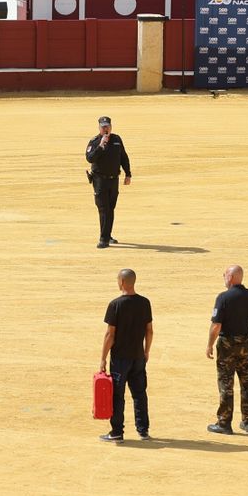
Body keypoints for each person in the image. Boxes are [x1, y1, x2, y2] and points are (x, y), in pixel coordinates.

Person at [206, 264, 248, 434]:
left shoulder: (223, 298)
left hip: (227, 345)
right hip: (247, 343)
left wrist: (209, 344)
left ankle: (224, 422)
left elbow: (216, 325)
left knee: (226, 383)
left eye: (224, 275)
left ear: (230, 277)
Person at [99, 268, 153, 442]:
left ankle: (117, 432)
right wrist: (146, 351)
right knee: (139, 394)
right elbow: (149, 331)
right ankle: (143, 430)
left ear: (121, 282)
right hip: (138, 356)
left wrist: (103, 358)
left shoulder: (115, 304)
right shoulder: (145, 303)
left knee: (117, 395)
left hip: (120, 359)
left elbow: (110, 335)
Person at [84, 116, 131, 249]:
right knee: (103, 209)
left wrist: (128, 174)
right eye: (103, 126)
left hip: (113, 179)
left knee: (110, 208)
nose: (106, 128)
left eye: (107, 126)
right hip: (100, 180)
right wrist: (100, 146)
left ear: (111, 127)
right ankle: (103, 239)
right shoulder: (94, 141)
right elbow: (90, 158)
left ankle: (108, 235)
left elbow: (123, 157)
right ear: (99, 128)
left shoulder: (117, 139)